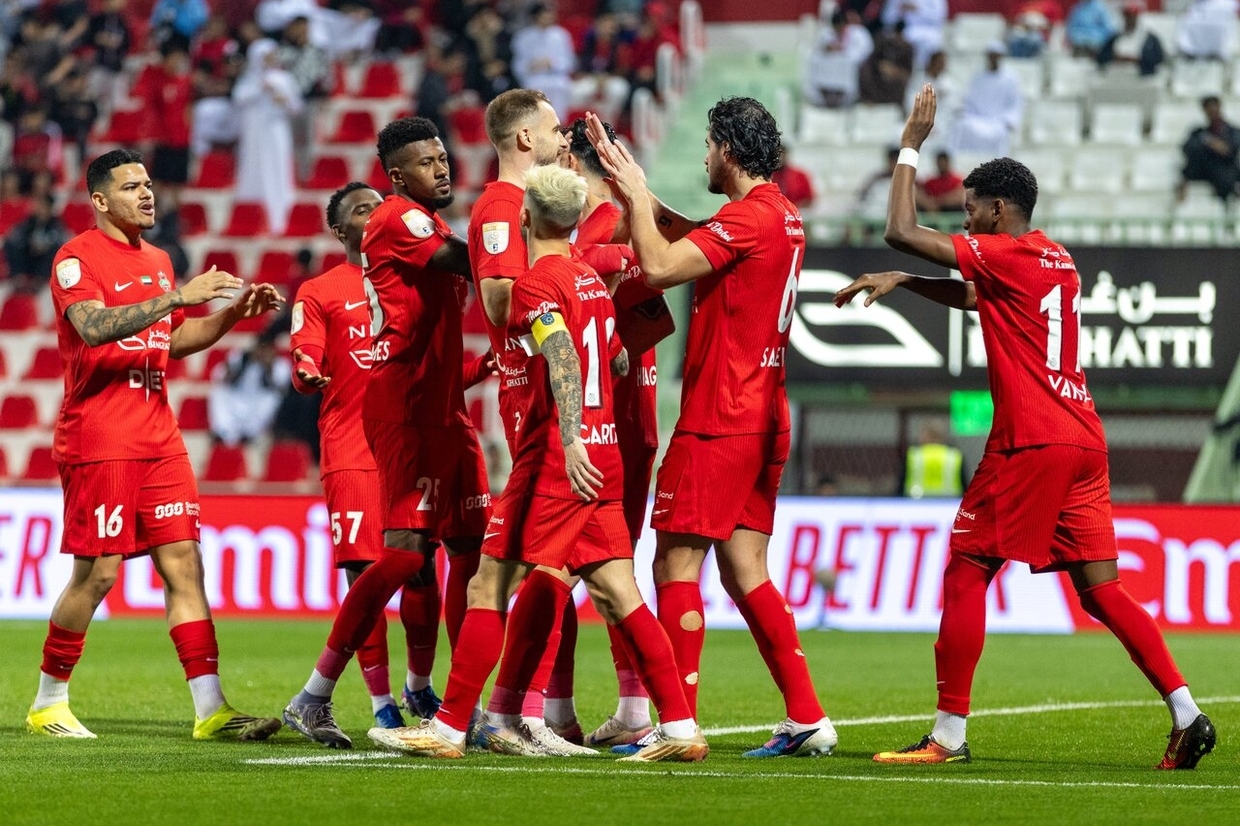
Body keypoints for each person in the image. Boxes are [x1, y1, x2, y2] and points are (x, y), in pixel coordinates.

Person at [832, 86, 1216, 770]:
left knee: (966, 569)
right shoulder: (1053, 258)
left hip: (1031, 439)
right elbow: (976, 294)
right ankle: (1187, 713)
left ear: (999, 210)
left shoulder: (1004, 253)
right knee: (1102, 589)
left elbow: (900, 229)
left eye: (971, 211)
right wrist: (908, 282)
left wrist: (910, 147)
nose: (965, 220)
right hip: (1083, 438)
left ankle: (948, 735)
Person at [368, 163, 708, 764]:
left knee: (487, 586)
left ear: (525, 217)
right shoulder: (591, 280)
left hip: (557, 459)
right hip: (607, 455)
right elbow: (618, 360)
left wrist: (570, 436)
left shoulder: (535, 285)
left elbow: (563, 355)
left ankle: (447, 729)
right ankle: (680, 728)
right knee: (619, 595)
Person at [586, 97, 837, 757]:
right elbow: (696, 235)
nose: (702, 157)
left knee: (674, 561)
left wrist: (633, 194)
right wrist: (637, 189)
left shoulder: (747, 218)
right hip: (766, 413)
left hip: (721, 416)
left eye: (706, 145)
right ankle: (808, 717)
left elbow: (660, 268)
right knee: (746, 569)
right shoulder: (782, 214)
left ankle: (678, 724)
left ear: (727, 149)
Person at [26, 148, 284, 740]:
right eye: (131, 187)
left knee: (185, 564)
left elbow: (171, 340)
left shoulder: (159, 258)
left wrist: (231, 316)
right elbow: (93, 327)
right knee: (98, 574)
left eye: (147, 184)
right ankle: (48, 702)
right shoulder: (76, 258)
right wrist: (176, 298)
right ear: (99, 200)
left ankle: (212, 709)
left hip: (159, 436)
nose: (146, 194)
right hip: (101, 437)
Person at [282, 117, 491, 749]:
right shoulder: (398, 219)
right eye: (427, 162)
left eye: (443, 157)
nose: (443, 168)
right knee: (402, 556)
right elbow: (469, 261)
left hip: (447, 410)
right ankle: (314, 696)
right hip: (404, 409)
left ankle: (459, 706)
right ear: (397, 176)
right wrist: (530, 225)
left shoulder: (431, 222)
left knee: (469, 553)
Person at [287, 181, 440, 731]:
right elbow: (305, 350)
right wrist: (307, 369)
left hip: (410, 448)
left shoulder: (412, 277)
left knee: (422, 571)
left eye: (379, 204)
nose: (375, 213)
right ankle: (381, 705)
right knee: (367, 577)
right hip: (352, 447)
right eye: (361, 209)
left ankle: (420, 686)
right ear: (339, 230)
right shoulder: (320, 290)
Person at [561, 116, 676, 748]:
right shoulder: (625, 223)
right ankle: (633, 708)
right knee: (611, 571)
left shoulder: (605, 229)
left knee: (557, 566)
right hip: (627, 422)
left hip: (610, 426)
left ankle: (538, 708)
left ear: (573, 166)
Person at [232, 38, 302, 235]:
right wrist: (259, 89)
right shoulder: (249, 79)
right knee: (254, 169)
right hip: (254, 134)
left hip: (276, 131)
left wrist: (284, 101)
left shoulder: (284, 78)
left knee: (276, 168)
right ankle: (252, 219)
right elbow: (238, 98)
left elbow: (296, 107)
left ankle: (279, 218)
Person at [206, 327, 291, 446]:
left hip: (259, 400)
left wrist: (268, 367)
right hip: (237, 397)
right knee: (218, 392)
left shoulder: (280, 364)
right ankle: (223, 431)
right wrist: (234, 368)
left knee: (272, 398)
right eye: (259, 348)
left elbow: (282, 388)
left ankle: (250, 434)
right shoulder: (241, 357)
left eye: (264, 349)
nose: (261, 352)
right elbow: (220, 377)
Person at [950, 42, 1023, 159]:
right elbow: (969, 101)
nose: (993, 58)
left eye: (996, 56)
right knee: (961, 125)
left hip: (999, 121)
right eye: (991, 55)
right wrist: (965, 111)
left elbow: (1015, 104)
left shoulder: (1011, 79)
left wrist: (1010, 119)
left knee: (1002, 133)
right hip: (977, 119)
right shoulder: (977, 77)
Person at [802, 9, 873, 109]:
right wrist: (827, 49)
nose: (838, 30)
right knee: (814, 62)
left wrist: (843, 50)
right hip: (831, 65)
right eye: (835, 28)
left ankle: (849, 97)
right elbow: (818, 49)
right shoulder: (826, 33)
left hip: (853, 64)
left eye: (840, 27)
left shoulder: (859, 33)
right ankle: (825, 95)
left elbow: (865, 51)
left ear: (845, 24)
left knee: (851, 67)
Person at [1177, 95, 1240, 204]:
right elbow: (1187, 148)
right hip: (1205, 170)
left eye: (1215, 107)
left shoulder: (1233, 131)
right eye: (1209, 109)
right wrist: (1209, 142)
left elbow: (1229, 151)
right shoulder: (1199, 133)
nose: (1213, 111)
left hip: (1226, 171)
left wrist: (1216, 146)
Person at [898, 421, 965, 498]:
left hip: (917, 502)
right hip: (950, 502)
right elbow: (965, 486)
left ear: (926, 436)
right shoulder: (954, 456)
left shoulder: (913, 455)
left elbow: (900, 486)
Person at [1097, 3, 1164, 76]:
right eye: (1127, 17)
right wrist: (1114, 58)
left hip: (1140, 77)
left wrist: (1136, 60)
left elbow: (1158, 59)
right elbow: (1102, 57)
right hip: (1116, 76)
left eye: (1132, 17)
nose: (1129, 20)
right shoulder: (1115, 38)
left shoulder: (1149, 39)